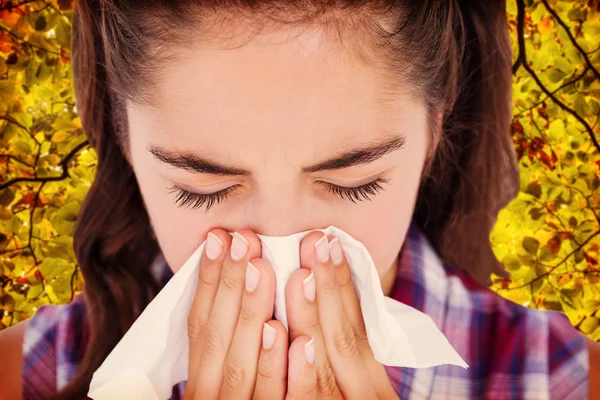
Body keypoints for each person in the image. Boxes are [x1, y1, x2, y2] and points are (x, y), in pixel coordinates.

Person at [0, 0, 598, 398]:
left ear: (434, 130)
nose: (278, 252)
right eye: (201, 189)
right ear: (127, 144)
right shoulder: (30, 374)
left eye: (352, 183)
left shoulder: (560, 379)